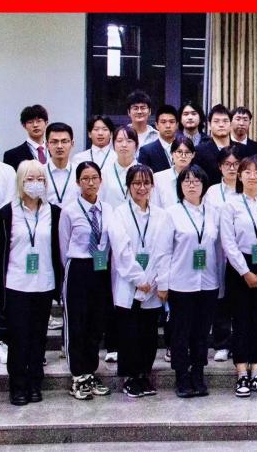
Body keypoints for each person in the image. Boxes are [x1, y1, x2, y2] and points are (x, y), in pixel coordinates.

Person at [58, 161, 141, 401]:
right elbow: (63, 246)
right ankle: (78, 376)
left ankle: (90, 372)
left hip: (101, 268)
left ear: (101, 180)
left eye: (94, 178)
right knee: (77, 324)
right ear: (78, 182)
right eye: (85, 179)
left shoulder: (108, 209)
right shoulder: (69, 211)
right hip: (79, 268)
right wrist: (73, 269)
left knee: (96, 324)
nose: (90, 183)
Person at [0, 160, 64, 406]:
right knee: (18, 338)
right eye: (30, 179)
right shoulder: (6, 213)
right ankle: (18, 386)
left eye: (40, 179)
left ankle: (35, 383)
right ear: (20, 182)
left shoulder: (54, 212)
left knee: (38, 338)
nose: (35, 184)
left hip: (44, 284)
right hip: (16, 285)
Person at [154, 165, 222, 398]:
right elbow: (163, 251)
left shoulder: (214, 213)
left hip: (208, 282)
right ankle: (182, 376)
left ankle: (198, 374)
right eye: (186, 181)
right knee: (181, 333)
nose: (191, 185)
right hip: (180, 283)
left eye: (196, 181)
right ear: (180, 186)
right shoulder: (171, 213)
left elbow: (218, 250)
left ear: (204, 185)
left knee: (202, 332)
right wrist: (163, 283)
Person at [221, 155, 257, 397]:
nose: (252, 176)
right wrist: (245, 272)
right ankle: (241, 374)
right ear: (240, 176)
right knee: (241, 321)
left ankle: (256, 372)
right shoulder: (231, 205)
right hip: (239, 269)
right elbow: (228, 242)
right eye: (247, 172)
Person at [112, 164, 165, 398]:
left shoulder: (161, 215)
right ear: (128, 186)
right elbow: (121, 250)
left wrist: (152, 279)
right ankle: (130, 377)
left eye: (146, 183)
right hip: (129, 283)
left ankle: (144, 373)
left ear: (152, 186)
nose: (141, 188)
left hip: (152, 284)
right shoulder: (120, 213)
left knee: (149, 333)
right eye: (136, 183)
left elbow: (163, 249)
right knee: (129, 333)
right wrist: (138, 278)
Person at [204, 146, 240, 362]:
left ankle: (240, 343)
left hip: (241, 250)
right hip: (218, 250)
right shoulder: (212, 192)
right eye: (227, 164)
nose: (232, 168)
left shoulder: (246, 189)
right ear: (220, 166)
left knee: (239, 298)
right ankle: (222, 342)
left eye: (236, 164)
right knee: (221, 297)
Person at [101, 126, 140, 210]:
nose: (124, 145)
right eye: (119, 141)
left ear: (136, 145)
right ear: (113, 145)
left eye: (129, 141)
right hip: (112, 216)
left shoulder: (146, 173)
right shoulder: (104, 172)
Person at [152, 136, 196, 209]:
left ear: (193, 155)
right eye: (179, 152)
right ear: (172, 153)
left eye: (187, 152)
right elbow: (155, 206)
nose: (183, 156)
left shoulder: (198, 178)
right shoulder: (158, 178)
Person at [194, 105, 233, 186]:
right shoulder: (199, 151)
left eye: (225, 121)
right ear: (209, 125)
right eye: (216, 121)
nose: (221, 125)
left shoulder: (241, 149)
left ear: (231, 124)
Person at [43, 123, 79, 207]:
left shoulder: (79, 172)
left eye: (64, 141)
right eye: (54, 142)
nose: (59, 146)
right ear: (47, 145)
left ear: (72, 143)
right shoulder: (40, 172)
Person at [3, 105, 49, 170]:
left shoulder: (56, 150)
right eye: (30, 122)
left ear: (46, 123)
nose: (35, 125)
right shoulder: (11, 155)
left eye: (39, 121)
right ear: (24, 126)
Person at [137, 105, 180, 173]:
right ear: (156, 125)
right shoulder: (146, 151)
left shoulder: (185, 148)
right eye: (163, 122)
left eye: (171, 122)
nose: (168, 126)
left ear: (177, 125)